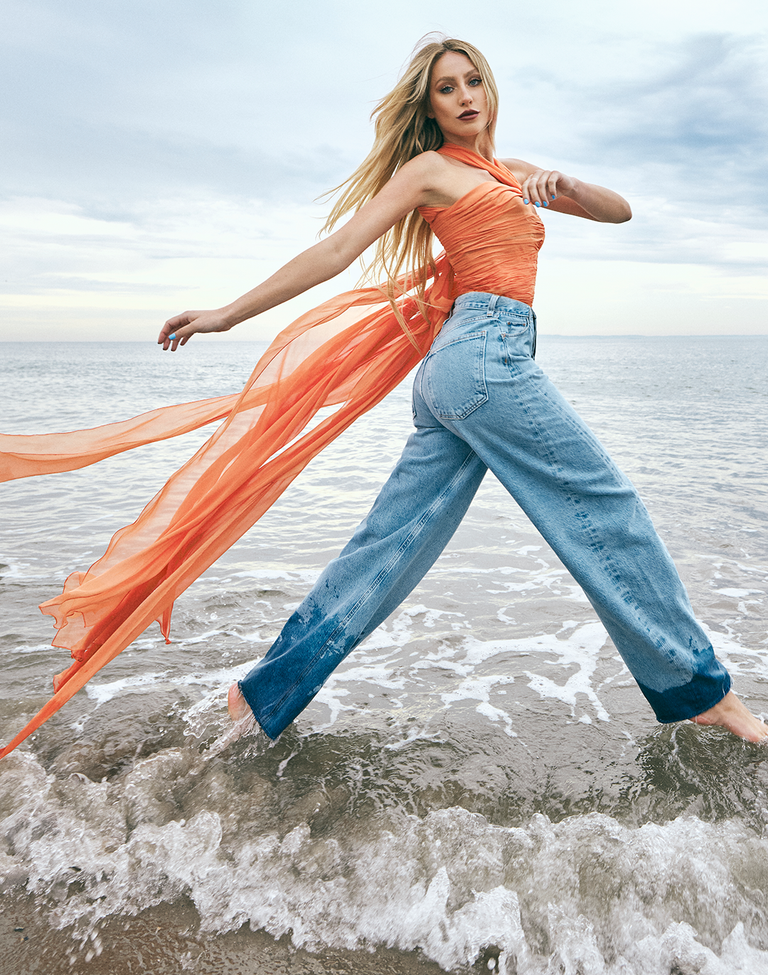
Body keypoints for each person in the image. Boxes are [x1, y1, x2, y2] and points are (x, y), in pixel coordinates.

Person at [157, 36, 767, 745]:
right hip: (484, 359)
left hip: (462, 371)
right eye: (447, 89)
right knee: (607, 508)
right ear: (430, 107)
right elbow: (335, 250)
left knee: (390, 544)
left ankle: (261, 694)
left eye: (473, 81)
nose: (465, 97)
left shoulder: (512, 172)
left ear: (490, 87)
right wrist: (227, 314)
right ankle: (701, 691)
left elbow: (619, 211)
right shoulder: (430, 170)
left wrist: (562, 185)